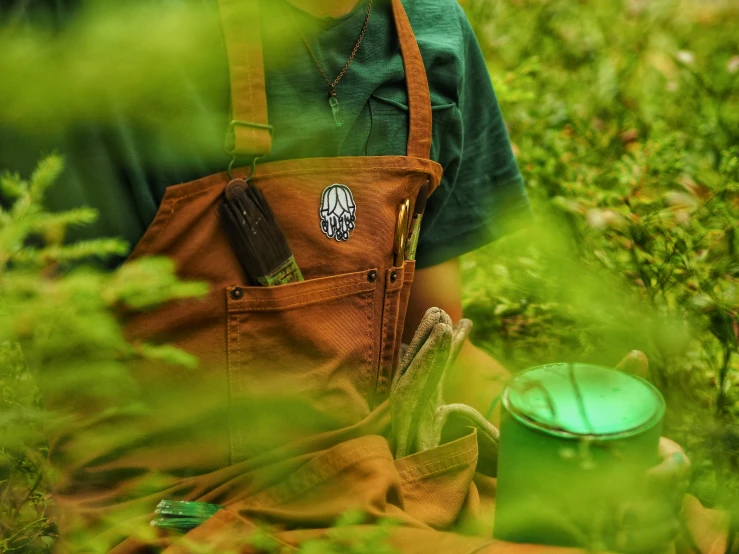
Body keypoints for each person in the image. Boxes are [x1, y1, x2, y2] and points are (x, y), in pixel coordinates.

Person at [0, 0, 728, 553]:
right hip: (181, 511)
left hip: (378, 482)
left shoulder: (430, 36)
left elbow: (431, 347)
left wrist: (563, 434)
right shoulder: (103, 34)